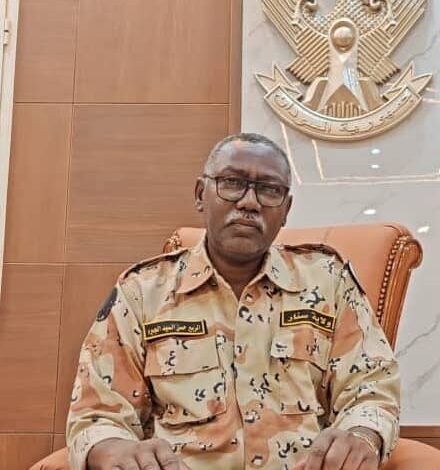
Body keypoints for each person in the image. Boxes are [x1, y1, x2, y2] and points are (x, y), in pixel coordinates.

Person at [67, 133, 399, 470]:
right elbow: (97, 414)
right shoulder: (143, 292)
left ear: (286, 210)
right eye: (232, 183)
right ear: (201, 194)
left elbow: (371, 388)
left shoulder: (328, 281)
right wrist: (112, 449)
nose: (249, 202)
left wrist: (362, 436)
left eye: (269, 189)